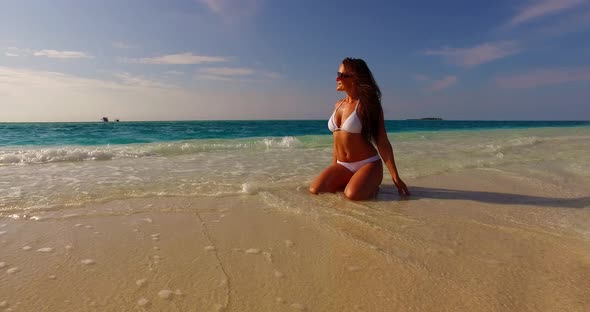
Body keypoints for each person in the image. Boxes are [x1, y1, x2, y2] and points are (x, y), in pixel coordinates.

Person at [309, 57, 410, 200]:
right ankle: (355, 182)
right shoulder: (338, 104)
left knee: (352, 196)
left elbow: (382, 141)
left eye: (341, 75)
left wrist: (395, 176)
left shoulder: (368, 105)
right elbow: (336, 143)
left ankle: (372, 185)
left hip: (368, 164)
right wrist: (334, 169)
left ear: (355, 79)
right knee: (316, 191)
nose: (337, 78)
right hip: (343, 165)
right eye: (337, 74)